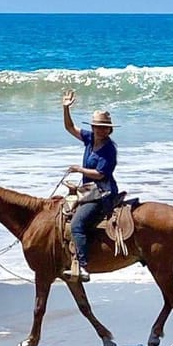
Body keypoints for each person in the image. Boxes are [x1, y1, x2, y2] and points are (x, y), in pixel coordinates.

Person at [62, 90, 119, 282]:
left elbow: (101, 174)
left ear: (109, 130)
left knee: (77, 225)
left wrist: (79, 169)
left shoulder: (109, 148)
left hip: (103, 192)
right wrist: (66, 108)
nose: (100, 130)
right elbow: (70, 127)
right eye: (97, 127)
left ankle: (83, 266)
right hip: (88, 191)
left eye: (104, 128)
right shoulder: (89, 139)